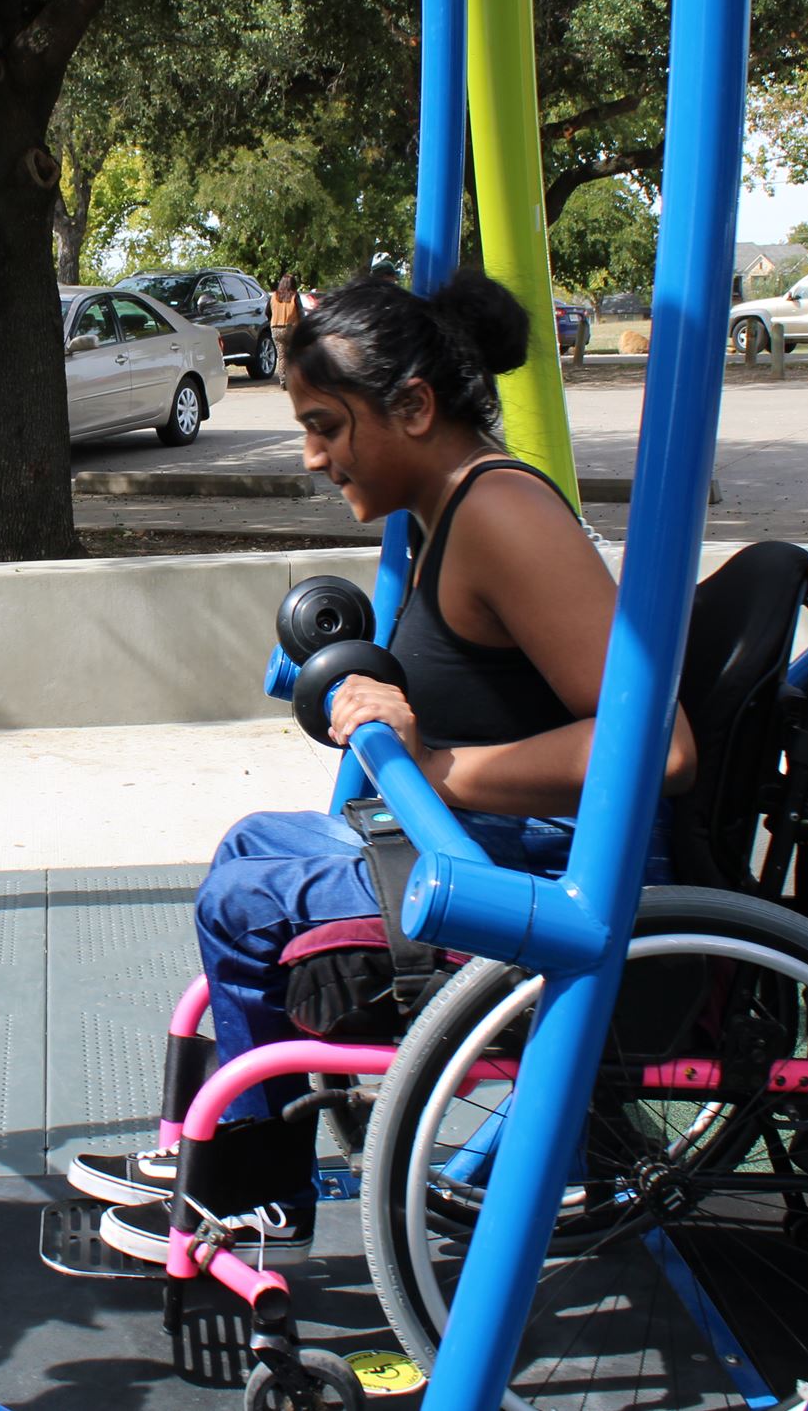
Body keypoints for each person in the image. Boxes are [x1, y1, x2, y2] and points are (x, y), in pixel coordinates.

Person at [65, 274, 695, 1264]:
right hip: (493, 848)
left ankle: (253, 1193)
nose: (312, 456)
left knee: (247, 900)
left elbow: (660, 748)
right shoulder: (453, 508)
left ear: (413, 406)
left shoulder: (502, 514)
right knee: (251, 845)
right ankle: (222, 1156)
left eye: (325, 425)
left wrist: (437, 765)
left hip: (549, 885)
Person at [268, 274, 302, 374]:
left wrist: (273, 320)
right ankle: (293, 377)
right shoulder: (294, 295)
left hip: (275, 328)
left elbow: (267, 312)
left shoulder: (274, 296)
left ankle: (283, 380)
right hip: (291, 327)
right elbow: (301, 312)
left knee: (281, 356)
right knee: (294, 354)